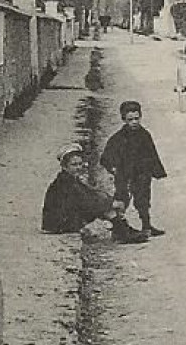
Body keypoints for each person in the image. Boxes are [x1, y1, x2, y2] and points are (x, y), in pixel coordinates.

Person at [42, 144, 147, 242]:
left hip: (63, 218)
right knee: (103, 207)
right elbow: (86, 201)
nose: (78, 167)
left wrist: (110, 200)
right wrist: (111, 204)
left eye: (80, 164)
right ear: (65, 167)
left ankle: (122, 229)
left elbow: (90, 192)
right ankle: (122, 231)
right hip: (57, 223)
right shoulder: (65, 183)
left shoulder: (71, 179)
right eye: (74, 165)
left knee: (101, 200)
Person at [100, 102, 169, 238]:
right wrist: (113, 169)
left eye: (137, 118)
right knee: (122, 198)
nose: (134, 122)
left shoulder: (144, 135)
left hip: (142, 173)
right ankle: (118, 228)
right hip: (124, 173)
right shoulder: (118, 138)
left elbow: (152, 153)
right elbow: (105, 157)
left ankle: (146, 226)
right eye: (130, 119)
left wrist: (155, 169)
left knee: (143, 198)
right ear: (124, 120)